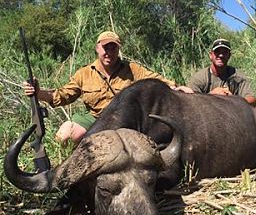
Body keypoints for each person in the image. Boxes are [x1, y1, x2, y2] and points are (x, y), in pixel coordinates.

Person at [23, 31, 177, 143]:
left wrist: (176, 87)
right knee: (65, 135)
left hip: (125, 119)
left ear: (118, 49)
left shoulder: (132, 69)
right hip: (95, 118)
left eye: (113, 48)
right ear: (97, 48)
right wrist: (38, 93)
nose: (109, 52)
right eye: (105, 48)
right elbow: (61, 96)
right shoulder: (84, 73)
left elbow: (156, 80)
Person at [182, 38, 256, 107]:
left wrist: (232, 99)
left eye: (224, 52)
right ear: (211, 55)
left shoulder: (238, 76)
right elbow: (190, 103)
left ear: (229, 55)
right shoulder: (199, 78)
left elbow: (252, 100)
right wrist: (212, 96)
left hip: (232, 112)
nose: (221, 55)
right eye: (217, 52)